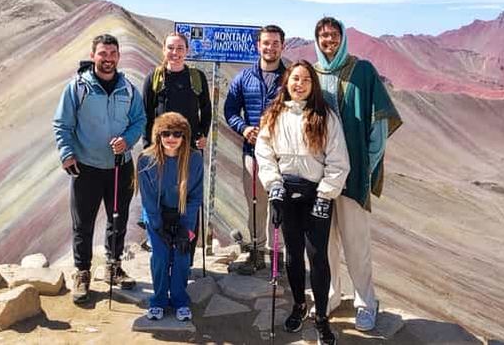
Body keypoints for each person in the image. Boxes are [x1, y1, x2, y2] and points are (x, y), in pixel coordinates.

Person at [312, 17, 402, 332]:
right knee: (324, 244)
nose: (329, 41)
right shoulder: (312, 73)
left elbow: (378, 125)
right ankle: (331, 296)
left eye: (334, 35)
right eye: (323, 36)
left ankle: (365, 302)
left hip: (353, 174)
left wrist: (367, 164)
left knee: (356, 243)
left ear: (343, 38)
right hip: (318, 178)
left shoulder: (362, 71)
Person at [255, 60, 350, 345]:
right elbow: (264, 152)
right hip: (285, 192)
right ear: (287, 82)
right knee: (293, 255)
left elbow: (338, 159)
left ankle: (321, 317)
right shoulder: (274, 114)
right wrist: (273, 184)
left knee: (318, 257)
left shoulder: (325, 116)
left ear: (313, 84)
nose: (299, 84)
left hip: (316, 195)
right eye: (295, 79)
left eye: (306, 79)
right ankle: (299, 305)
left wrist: (326, 194)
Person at [53, 33, 146, 304]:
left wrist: (128, 141)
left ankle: (113, 266)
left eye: (112, 54)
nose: (107, 59)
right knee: (83, 223)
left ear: (119, 56)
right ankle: (82, 272)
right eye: (102, 54)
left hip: (120, 165)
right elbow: (62, 123)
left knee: (118, 218)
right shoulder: (77, 87)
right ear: (93, 55)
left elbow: (139, 120)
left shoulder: (128, 89)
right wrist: (67, 153)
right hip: (86, 167)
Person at [141, 32, 211, 258]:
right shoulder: (154, 77)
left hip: (189, 150)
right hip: (161, 149)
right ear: (164, 50)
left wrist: (202, 135)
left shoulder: (197, 77)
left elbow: (206, 110)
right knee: (160, 197)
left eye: (180, 48)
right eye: (171, 48)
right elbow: (146, 114)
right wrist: (147, 147)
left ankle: (186, 254)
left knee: (189, 198)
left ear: (187, 51)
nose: (176, 53)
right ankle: (160, 249)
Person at [224, 24, 287, 274]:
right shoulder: (243, 78)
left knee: (280, 205)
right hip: (252, 152)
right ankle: (257, 252)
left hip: (285, 155)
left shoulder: (291, 77)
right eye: (265, 43)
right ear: (257, 45)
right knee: (255, 204)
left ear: (283, 45)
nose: (269, 47)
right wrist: (243, 128)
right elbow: (230, 110)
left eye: (275, 43)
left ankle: (278, 256)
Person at [136, 112, 204, 322]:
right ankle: (158, 300)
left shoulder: (193, 159)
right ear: (158, 135)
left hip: (183, 215)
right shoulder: (146, 160)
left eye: (177, 134)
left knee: (182, 257)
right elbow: (147, 199)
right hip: (156, 215)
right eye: (166, 133)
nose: (171, 138)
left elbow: (194, 197)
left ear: (184, 136)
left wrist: (186, 228)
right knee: (160, 256)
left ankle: (180, 300)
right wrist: (158, 227)